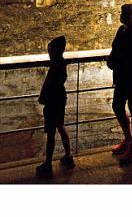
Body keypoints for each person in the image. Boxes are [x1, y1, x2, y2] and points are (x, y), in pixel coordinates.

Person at [107, 4, 132, 165]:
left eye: (124, 13)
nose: (121, 15)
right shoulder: (122, 29)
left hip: (131, 77)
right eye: (122, 12)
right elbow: (116, 48)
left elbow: (128, 56)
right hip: (124, 76)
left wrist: (113, 61)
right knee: (118, 106)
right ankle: (129, 139)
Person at [36, 36, 75, 180]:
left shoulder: (54, 68)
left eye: (50, 51)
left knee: (51, 133)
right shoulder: (61, 65)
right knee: (61, 126)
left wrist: (42, 98)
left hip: (52, 102)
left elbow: (47, 86)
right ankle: (68, 156)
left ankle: (47, 165)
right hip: (60, 100)